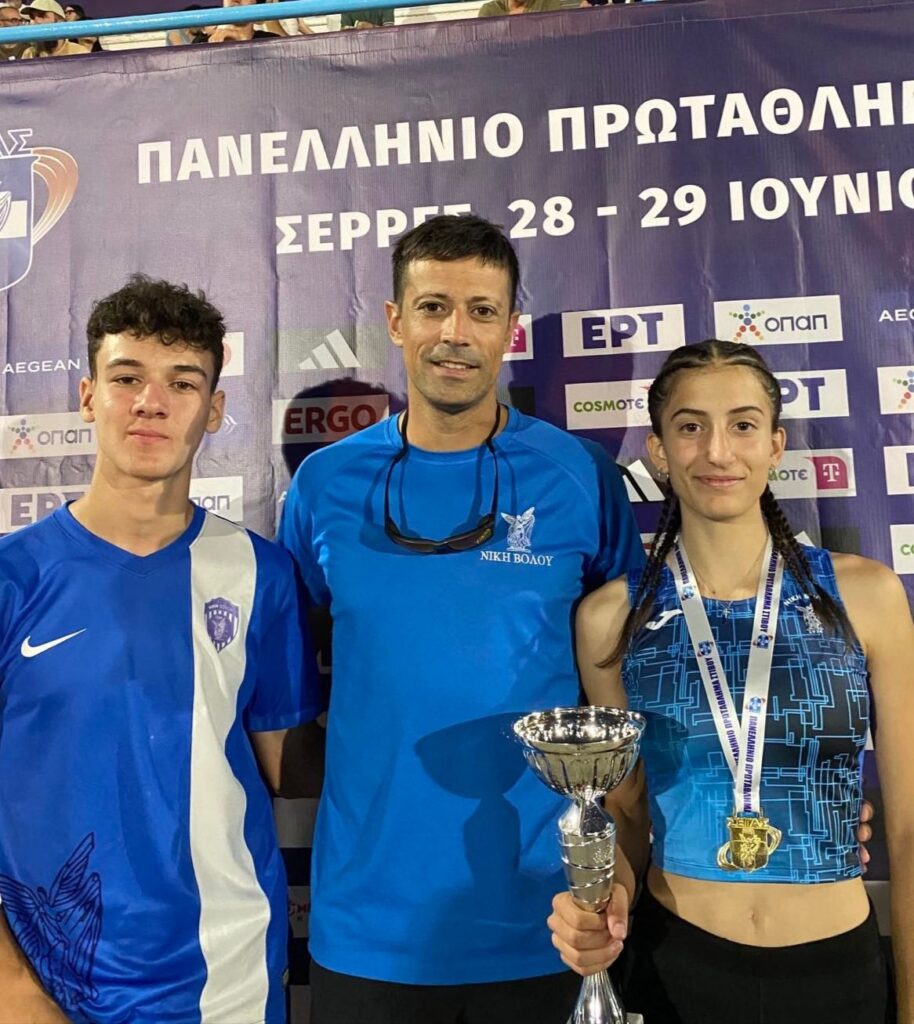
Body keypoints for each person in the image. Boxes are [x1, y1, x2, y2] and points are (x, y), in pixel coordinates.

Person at [277, 213, 643, 1024]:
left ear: (510, 328)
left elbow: (623, 684)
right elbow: (290, 668)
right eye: (433, 307)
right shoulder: (324, 484)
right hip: (369, 928)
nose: (456, 333)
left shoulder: (579, 475)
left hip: (552, 920)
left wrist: (624, 865)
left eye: (482, 311)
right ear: (394, 320)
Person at [548, 340, 913, 1024]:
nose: (717, 451)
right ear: (658, 451)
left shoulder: (867, 596)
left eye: (743, 425)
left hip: (838, 971)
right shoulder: (611, 618)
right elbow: (626, 812)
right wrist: (605, 899)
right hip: (676, 967)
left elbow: (909, 827)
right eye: (690, 426)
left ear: (775, 446)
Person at [0, 275, 323, 1024]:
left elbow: (286, 765)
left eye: (182, 383)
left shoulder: (262, 573)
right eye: (127, 378)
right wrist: (12, 985)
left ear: (214, 409)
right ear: (88, 397)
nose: (151, 402)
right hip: (47, 982)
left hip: (227, 975)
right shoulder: (13, 577)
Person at [20, 0, 90, 56]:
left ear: (60, 22)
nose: (35, 21)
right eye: (32, 17)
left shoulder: (79, 53)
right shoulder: (29, 54)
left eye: (42, 15)